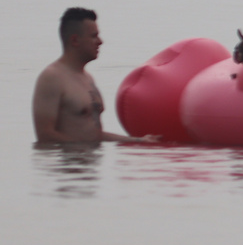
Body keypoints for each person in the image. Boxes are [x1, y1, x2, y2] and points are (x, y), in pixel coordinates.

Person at [33, 8, 157, 144]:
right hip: (68, 164)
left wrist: (138, 141)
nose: (100, 41)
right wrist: (79, 151)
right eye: (93, 36)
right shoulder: (52, 78)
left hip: (91, 162)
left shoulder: (88, 78)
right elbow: (45, 136)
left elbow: (94, 136)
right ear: (75, 40)